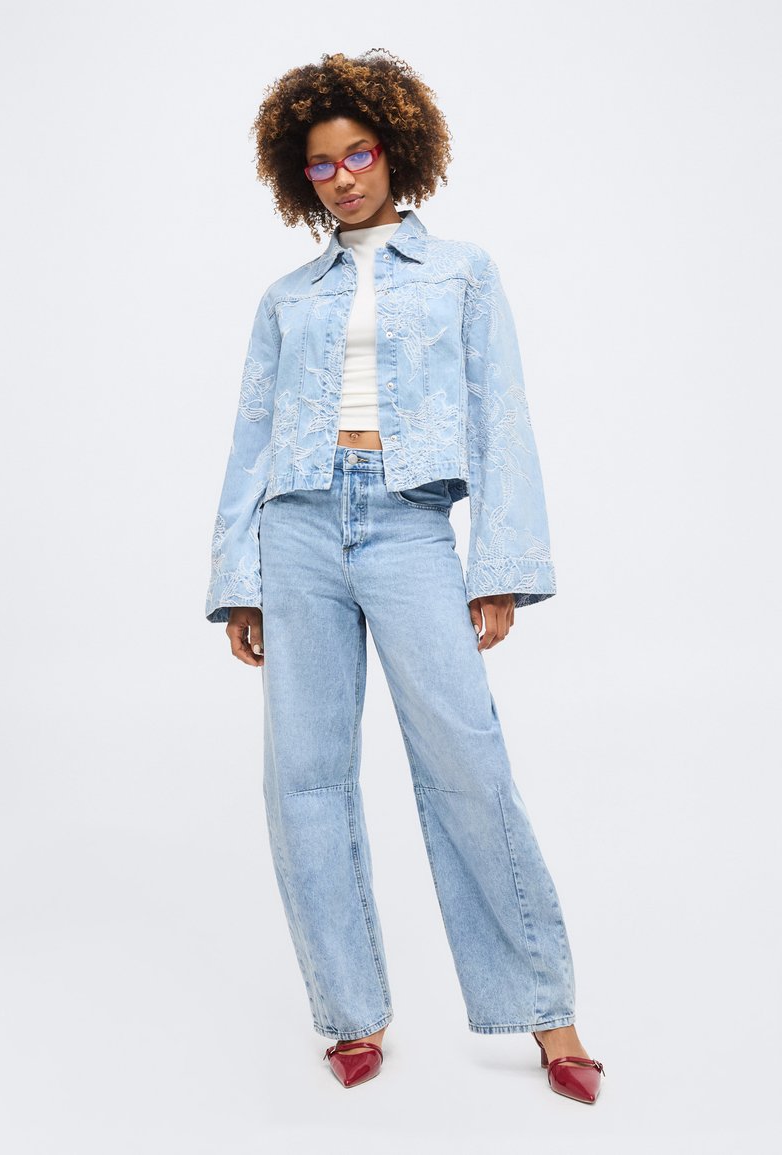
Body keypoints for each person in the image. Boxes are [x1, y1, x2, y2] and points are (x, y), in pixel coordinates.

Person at [205, 49, 605, 1103]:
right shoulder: (286, 298)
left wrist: (497, 566)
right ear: (298, 177)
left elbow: (502, 416)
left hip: (407, 523)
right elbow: (250, 442)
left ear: (396, 150)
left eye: (358, 154)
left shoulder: (463, 272)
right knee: (304, 778)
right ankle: (351, 1013)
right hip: (296, 530)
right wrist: (238, 577)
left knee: (467, 760)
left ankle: (549, 1015)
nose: (342, 177)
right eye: (320, 164)